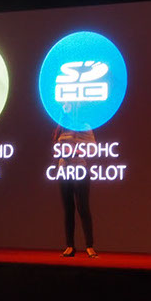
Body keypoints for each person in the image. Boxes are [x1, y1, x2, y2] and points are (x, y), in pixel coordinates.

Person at [53, 103, 98, 258]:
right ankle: (70, 246)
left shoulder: (85, 126)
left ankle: (89, 246)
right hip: (63, 170)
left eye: (71, 108)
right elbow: (56, 148)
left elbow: (92, 148)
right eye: (66, 108)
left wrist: (73, 150)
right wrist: (62, 151)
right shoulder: (61, 128)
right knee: (68, 209)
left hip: (80, 169)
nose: (69, 111)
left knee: (83, 207)